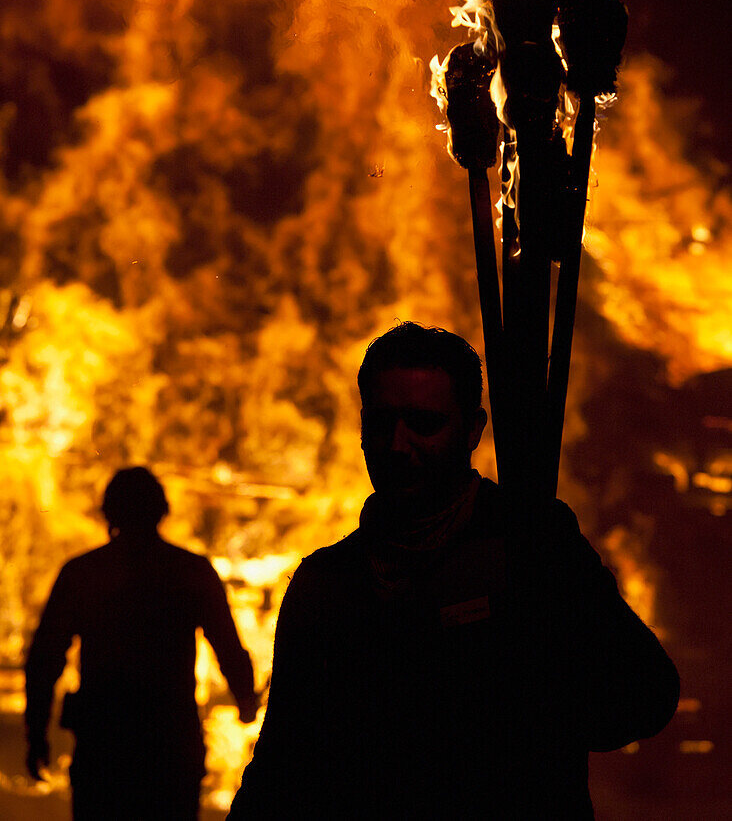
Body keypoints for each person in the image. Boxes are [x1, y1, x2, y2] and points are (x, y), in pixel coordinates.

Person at [228, 322, 679, 819]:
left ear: (472, 431)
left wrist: (530, 691)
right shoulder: (327, 584)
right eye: (382, 422)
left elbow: (647, 696)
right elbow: (281, 767)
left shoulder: (534, 547)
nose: (398, 445)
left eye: (424, 424)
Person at [25, 466, 257, 820]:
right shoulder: (191, 571)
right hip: (171, 745)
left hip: (103, 748)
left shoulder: (83, 573)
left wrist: (36, 733)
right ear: (162, 511)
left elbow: (45, 658)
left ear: (108, 512)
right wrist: (245, 701)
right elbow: (228, 647)